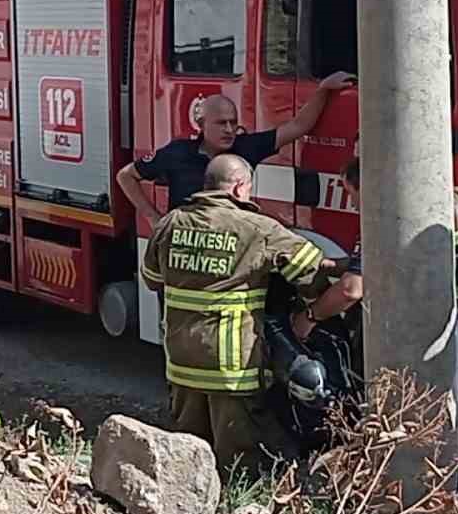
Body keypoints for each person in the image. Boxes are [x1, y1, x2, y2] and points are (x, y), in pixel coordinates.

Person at [291, 157, 458, 511]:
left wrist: (309, 317)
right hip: (446, 325)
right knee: (455, 411)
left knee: (439, 417)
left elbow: (352, 289)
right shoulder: (430, 198)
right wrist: (336, 263)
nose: (355, 204)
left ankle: (457, 510)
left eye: (353, 194)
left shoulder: (387, 213)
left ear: (368, 186)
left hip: (429, 331)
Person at [141, 154, 330, 472]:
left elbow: (152, 279)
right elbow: (310, 273)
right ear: (240, 187)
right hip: (230, 364)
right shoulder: (259, 228)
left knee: (188, 448)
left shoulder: (171, 222)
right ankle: (235, 507)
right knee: (237, 455)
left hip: (182, 360)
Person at [117, 71, 357, 225]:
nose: (230, 129)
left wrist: (323, 89)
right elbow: (126, 176)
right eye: (221, 123)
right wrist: (153, 218)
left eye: (233, 122)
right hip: (186, 253)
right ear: (201, 125)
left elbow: (298, 126)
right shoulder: (177, 153)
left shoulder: (247, 147)